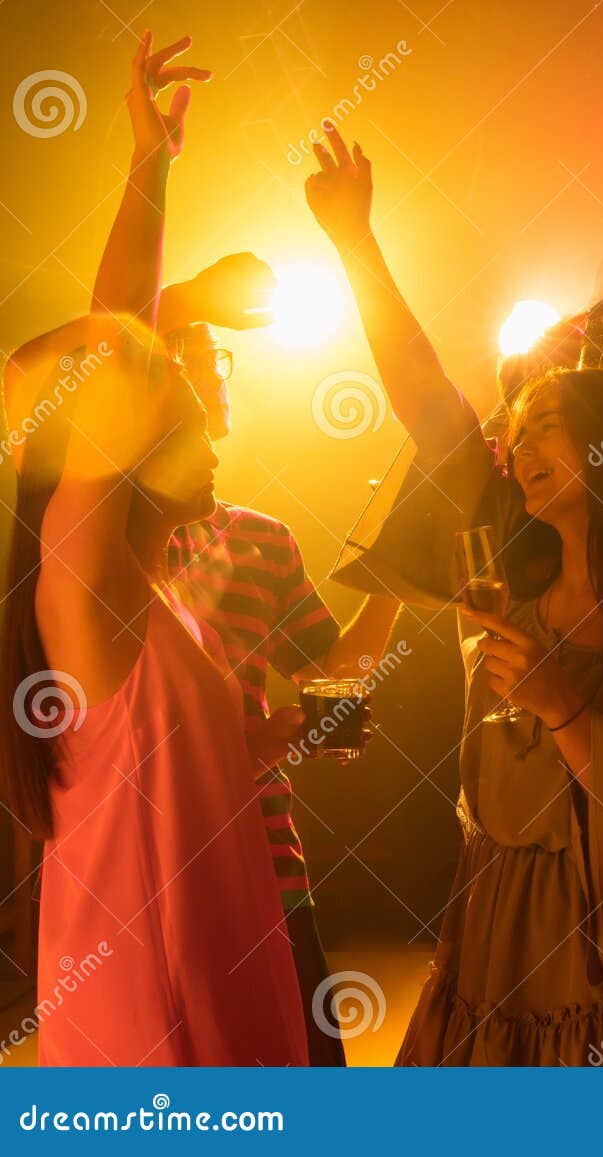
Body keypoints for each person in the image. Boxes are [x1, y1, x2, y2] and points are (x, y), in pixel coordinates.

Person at [302, 123, 603, 1065]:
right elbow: (428, 406)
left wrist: (558, 701)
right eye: (517, 431)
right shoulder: (513, 579)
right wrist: (355, 242)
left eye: (547, 425)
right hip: (490, 927)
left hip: (601, 950)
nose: (517, 448)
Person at [0, 36, 303, 1064]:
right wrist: (145, 172)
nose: (210, 432)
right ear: (123, 457)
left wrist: (155, 161)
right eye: (180, 417)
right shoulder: (85, 582)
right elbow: (118, 341)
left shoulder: (146, 602)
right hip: (158, 1044)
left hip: (209, 1008)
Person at [149, 258, 402, 1067]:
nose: (212, 375)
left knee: (311, 1074)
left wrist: (395, 574)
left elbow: (333, 668)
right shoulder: (120, 543)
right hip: (156, 865)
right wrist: (181, 298)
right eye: (189, 357)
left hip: (269, 855)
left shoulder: (263, 538)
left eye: (216, 357)